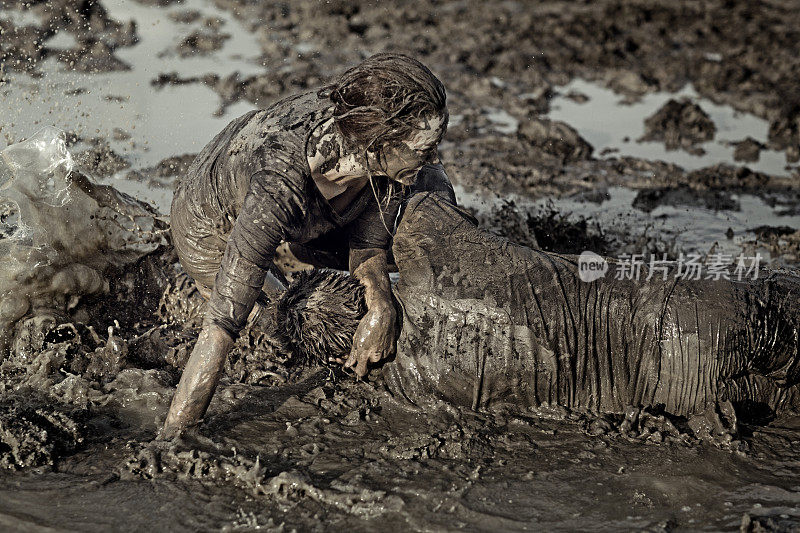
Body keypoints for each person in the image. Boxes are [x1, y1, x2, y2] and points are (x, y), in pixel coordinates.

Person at [270, 186, 800, 418]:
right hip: (678, 313)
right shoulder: (427, 247)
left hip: (677, 394)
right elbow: (393, 198)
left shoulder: (413, 392)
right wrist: (376, 285)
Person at [162, 54, 452, 438]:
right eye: (423, 148)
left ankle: (301, 247)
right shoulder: (279, 183)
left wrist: (382, 304)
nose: (434, 156)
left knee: (431, 197)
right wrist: (174, 437)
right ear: (381, 142)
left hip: (313, 211)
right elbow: (219, 326)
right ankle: (280, 261)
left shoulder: (375, 148)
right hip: (208, 222)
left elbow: (368, 245)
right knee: (281, 327)